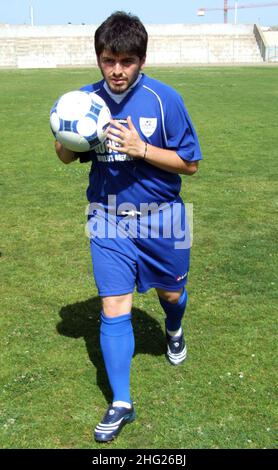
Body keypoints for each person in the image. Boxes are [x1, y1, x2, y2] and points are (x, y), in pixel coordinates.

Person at [55, 11, 202, 443]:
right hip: (107, 216)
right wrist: (68, 135)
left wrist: (142, 148)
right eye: (108, 60)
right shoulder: (84, 101)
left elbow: (190, 164)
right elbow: (65, 157)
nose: (117, 71)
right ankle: (122, 402)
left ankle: (173, 329)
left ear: (142, 60)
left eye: (126, 61)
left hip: (165, 217)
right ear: (98, 59)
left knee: (172, 294)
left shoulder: (164, 100)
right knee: (114, 306)